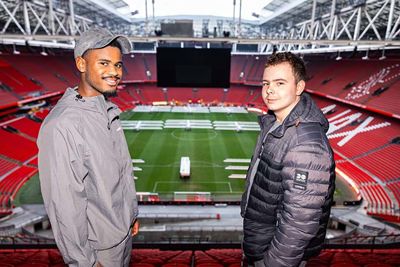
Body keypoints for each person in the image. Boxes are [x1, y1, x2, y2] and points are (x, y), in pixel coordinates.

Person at [38, 27, 139, 267]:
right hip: (99, 251)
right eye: (103, 63)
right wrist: (85, 262)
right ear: (81, 64)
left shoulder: (107, 111)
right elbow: (64, 206)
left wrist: (130, 214)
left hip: (122, 236)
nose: (114, 72)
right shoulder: (63, 125)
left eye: (118, 65)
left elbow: (122, 173)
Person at [240, 52, 335, 267]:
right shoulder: (275, 124)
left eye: (280, 83)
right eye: (266, 83)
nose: (270, 90)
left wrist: (270, 264)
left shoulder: (305, 144)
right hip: (261, 242)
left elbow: (298, 224)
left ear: (299, 87)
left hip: (276, 257)